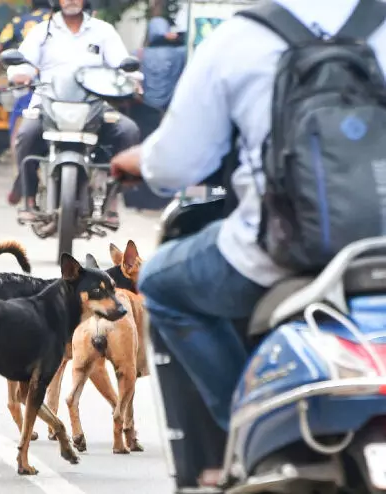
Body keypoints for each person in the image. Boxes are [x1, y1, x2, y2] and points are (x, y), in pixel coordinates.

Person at [110, 0, 386, 487]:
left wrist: (139, 161)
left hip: (276, 255)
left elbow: (176, 165)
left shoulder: (241, 39)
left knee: (161, 282)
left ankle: (237, 436)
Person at [7, 0, 140, 226]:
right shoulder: (42, 31)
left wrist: (133, 80)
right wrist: (19, 74)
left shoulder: (103, 31)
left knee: (128, 131)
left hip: (95, 105)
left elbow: (122, 65)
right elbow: (23, 65)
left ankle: (113, 198)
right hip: (48, 103)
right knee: (27, 134)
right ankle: (29, 199)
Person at [0, 0, 53, 207]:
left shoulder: (20, 22)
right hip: (62, 88)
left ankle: (21, 174)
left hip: (33, 85)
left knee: (20, 133)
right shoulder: (61, 23)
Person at [137, 15, 186, 112]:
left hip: (145, 106)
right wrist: (177, 37)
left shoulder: (139, 53)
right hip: (171, 106)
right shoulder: (180, 53)